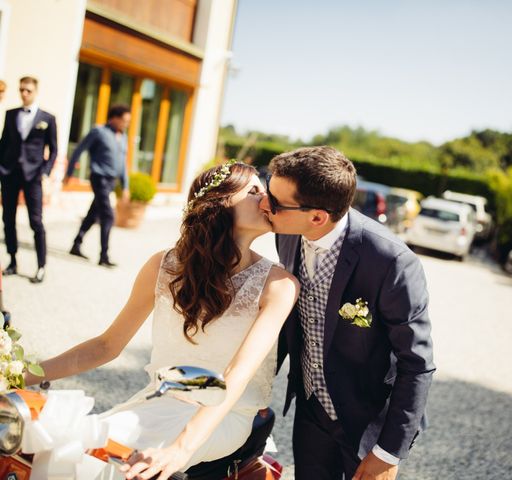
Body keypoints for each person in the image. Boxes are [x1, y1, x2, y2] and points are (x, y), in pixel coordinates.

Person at [26, 161, 299, 479]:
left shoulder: (278, 285)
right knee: (72, 442)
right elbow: (106, 345)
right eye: (254, 191)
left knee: (129, 458)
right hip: (161, 398)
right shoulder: (163, 266)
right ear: (220, 203)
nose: (268, 200)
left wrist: (181, 447)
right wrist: (20, 376)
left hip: (226, 415)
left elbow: (236, 375)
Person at [260, 146, 435, 480]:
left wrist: (387, 452)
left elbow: (417, 364)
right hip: (310, 413)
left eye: (277, 202)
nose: (266, 204)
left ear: (317, 217)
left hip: (368, 425)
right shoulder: (288, 237)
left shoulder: (391, 261)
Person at [0, 76, 57, 283]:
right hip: (9, 174)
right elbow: (3, 143)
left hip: (33, 176)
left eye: (28, 90)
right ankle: (13, 260)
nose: (24, 93)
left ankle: (41, 266)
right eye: (21, 89)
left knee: (36, 221)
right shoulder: (10, 114)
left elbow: (53, 150)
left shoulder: (47, 118)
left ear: (35, 92)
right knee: (8, 219)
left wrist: (45, 172)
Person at [64, 104, 131, 267]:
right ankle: (104, 256)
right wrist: (69, 173)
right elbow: (79, 150)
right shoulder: (99, 132)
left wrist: (125, 185)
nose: (126, 124)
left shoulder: (122, 136)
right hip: (99, 177)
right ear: (114, 118)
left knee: (93, 214)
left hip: (111, 181)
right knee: (108, 215)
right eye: (124, 121)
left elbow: (122, 163)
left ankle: (76, 244)